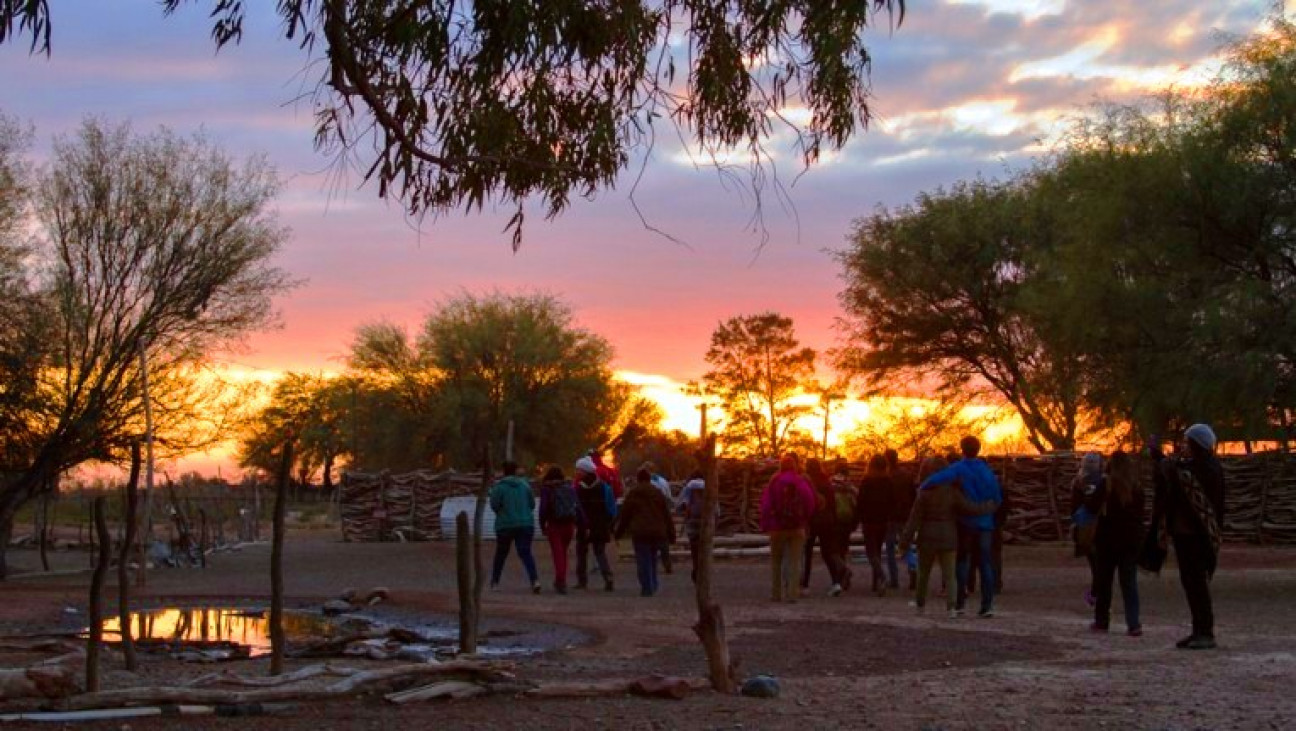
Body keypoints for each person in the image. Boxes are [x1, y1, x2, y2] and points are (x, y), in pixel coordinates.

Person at [1151, 424, 1225, 650]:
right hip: (1185, 535)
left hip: (1197, 536)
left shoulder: (1208, 469)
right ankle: (1198, 630)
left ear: (1196, 444)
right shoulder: (1194, 466)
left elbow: (1182, 477)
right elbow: (1174, 474)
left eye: (1187, 441)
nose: (1184, 446)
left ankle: (1206, 632)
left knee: (1197, 583)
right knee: (1190, 582)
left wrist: (1158, 456)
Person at [899, 457, 996, 616]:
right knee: (950, 575)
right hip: (948, 535)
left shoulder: (924, 493)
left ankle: (920, 605)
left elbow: (913, 521)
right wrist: (988, 506)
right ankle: (951, 607)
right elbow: (970, 508)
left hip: (927, 536)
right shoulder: (952, 492)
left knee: (924, 573)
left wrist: (905, 541)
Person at [919, 436, 1003, 617]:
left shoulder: (958, 468)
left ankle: (960, 603)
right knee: (985, 564)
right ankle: (987, 605)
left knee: (962, 562)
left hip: (966, 523)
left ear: (962, 449)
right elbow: (997, 497)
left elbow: (937, 478)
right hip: (986, 523)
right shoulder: (986, 471)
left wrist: (923, 487)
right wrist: (988, 510)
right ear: (978, 449)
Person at [1090, 450, 1145, 636]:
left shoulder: (1106, 484)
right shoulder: (1136, 487)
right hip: (1130, 540)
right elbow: (1140, 515)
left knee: (1105, 582)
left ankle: (1101, 621)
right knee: (1129, 583)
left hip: (1107, 540)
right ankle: (1134, 622)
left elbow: (1091, 507)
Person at [758, 454, 816, 603]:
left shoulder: (774, 482)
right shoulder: (800, 481)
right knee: (795, 562)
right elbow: (810, 501)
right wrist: (804, 519)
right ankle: (792, 594)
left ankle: (776, 593)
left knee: (776, 561)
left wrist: (765, 525)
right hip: (797, 527)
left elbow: (765, 505)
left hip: (777, 527)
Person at [615, 468, 677, 596]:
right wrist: (671, 533)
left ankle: (646, 586)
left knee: (643, 559)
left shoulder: (633, 494)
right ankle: (653, 584)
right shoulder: (658, 493)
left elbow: (625, 516)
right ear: (649, 479)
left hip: (640, 531)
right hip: (657, 531)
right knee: (653, 558)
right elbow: (666, 515)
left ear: (638, 479)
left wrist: (618, 533)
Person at [488, 461, 540, 593]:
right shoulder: (525, 485)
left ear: (504, 471)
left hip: (505, 525)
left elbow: (494, 505)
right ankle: (535, 580)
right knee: (526, 553)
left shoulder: (499, 487)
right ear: (516, 471)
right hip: (525, 523)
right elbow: (532, 504)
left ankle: (495, 582)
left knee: (501, 554)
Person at [801, 458, 848, 597]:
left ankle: (805, 585)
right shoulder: (827, 482)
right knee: (827, 553)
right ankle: (836, 583)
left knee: (807, 553)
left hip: (812, 521)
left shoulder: (808, 483)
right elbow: (833, 504)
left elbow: (806, 503)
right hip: (827, 522)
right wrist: (833, 520)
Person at [573, 456, 618, 591]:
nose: (576, 472)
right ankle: (608, 578)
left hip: (583, 525)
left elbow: (575, 508)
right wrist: (608, 523)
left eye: (578, 470)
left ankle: (582, 581)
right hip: (600, 525)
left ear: (584, 471)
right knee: (600, 553)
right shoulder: (604, 487)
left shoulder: (577, 488)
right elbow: (612, 509)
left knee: (581, 553)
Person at [855, 455, 896, 596]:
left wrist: (858, 517)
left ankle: (881, 577)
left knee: (871, 552)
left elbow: (860, 501)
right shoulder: (888, 481)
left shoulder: (866, 481)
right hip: (883, 520)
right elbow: (892, 501)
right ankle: (876, 582)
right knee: (877, 549)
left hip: (869, 520)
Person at [538, 465, 582, 595]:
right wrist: (583, 524)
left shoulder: (547, 489)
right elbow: (578, 507)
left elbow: (543, 510)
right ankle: (560, 580)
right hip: (569, 525)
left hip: (554, 525)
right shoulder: (570, 488)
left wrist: (542, 525)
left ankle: (561, 581)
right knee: (563, 553)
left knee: (558, 555)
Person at [1070, 452, 1104, 608]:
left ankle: (1097, 593)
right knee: (1099, 562)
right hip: (1099, 525)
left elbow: (1074, 507)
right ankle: (1097, 592)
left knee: (1095, 563)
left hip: (1086, 526)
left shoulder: (1078, 483)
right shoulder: (1103, 482)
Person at [884, 448, 916, 590]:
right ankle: (912, 566)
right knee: (906, 545)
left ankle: (894, 578)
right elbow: (913, 495)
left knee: (890, 548)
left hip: (890, 516)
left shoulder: (886, 476)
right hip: (905, 515)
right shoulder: (907, 475)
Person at [676, 470, 710, 583]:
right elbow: (716, 508)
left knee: (694, 549)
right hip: (706, 522)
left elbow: (680, 504)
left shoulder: (689, 487)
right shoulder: (708, 486)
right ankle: (703, 571)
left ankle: (696, 569)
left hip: (692, 522)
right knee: (704, 548)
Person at [641, 461, 675, 574]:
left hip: (649, 514)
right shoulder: (663, 481)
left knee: (651, 542)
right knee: (663, 542)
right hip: (662, 514)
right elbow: (669, 497)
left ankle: (652, 565)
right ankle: (667, 564)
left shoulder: (645, 483)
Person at [830, 460, 857, 591]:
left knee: (832, 551)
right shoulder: (850, 485)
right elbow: (856, 503)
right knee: (843, 550)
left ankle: (843, 571)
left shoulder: (831, 483)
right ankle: (843, 578)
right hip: (847, 521)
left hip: (835, 521)